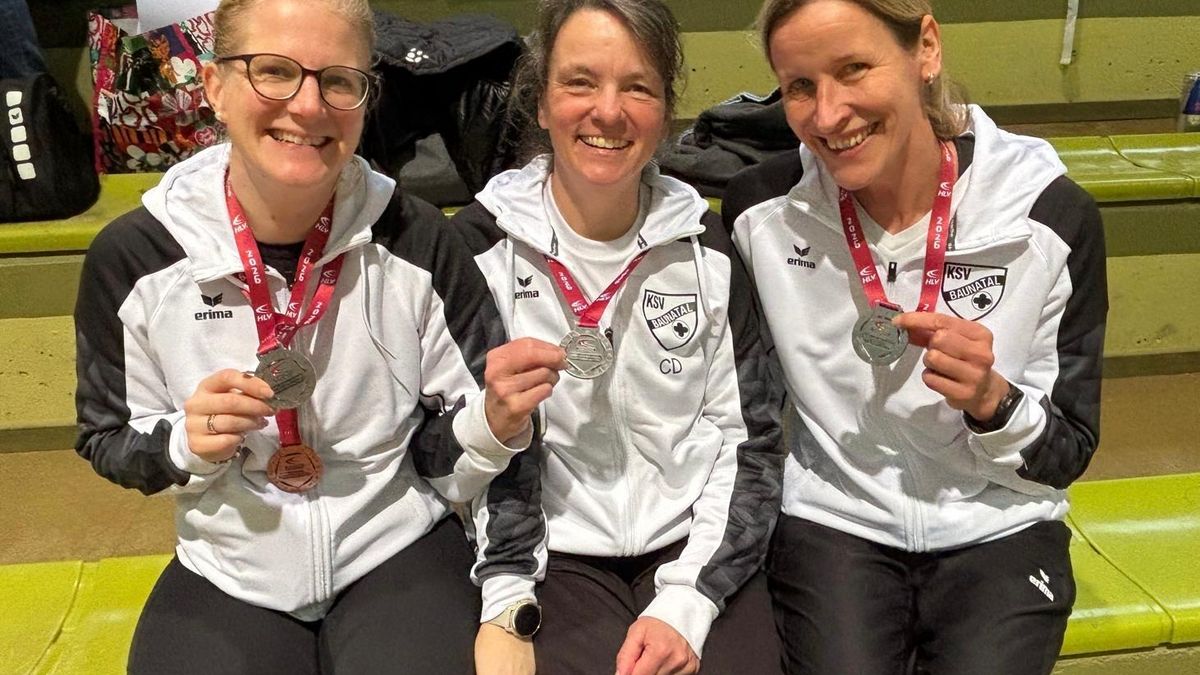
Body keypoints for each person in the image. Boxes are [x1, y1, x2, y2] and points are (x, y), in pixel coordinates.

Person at [72, 0, 558, 672]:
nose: (307, 105)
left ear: (366, 98)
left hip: (394, 548)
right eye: (273, 71)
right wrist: (184, 442)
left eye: (337, 80)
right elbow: (106, 436)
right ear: (215, 86)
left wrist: (507, 596)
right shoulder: (135, 258)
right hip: (230, 568)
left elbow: (476, 444)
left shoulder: (419, 240)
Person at [724, 1, 1107, 673]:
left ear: (925, 47)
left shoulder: (1046, 214)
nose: (828, 115)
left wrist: (994, 402)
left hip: (1000, 522)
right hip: (835, 521)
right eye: (800, 86)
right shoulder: (760, 214)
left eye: (854, 69)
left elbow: (1068, 448)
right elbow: (742, 412)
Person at [452, 2, 785, 674]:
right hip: (551, 551)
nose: (608, 111)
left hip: (697, 539)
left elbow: (750, 440)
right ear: (541, 102)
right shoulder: (477, 250)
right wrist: (508, 594)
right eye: (580, 82)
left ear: (664, 111)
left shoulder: (710, 246)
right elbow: (441, 457)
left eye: (637, 87)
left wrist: (688, 600)